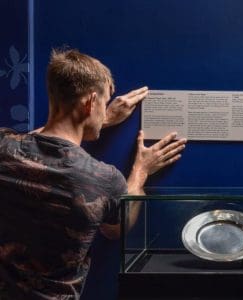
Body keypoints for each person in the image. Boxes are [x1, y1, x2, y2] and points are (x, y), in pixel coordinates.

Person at [0, 48, 187, 299]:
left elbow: (34, 140)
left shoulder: (4, 147)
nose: (106, 108)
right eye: (105, 100)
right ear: (90, 103)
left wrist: (97, 121)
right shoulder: (103, 179)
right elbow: (114, 230)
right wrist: (140, 172)